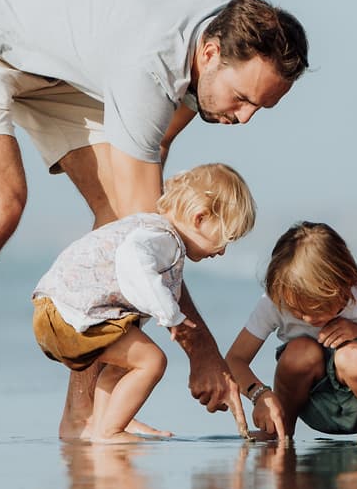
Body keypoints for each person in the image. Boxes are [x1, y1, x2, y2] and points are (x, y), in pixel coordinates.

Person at [0, 0, 308, 446]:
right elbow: (146, 234)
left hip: (57, 69)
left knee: (115, 216)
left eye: (259, 108)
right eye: (241, 100)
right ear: (210, 53)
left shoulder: (223, 31)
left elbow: (152, 182)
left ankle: (84, 417)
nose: (243, 119)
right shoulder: (149, 66)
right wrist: (203, 352)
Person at [32, 164, 256, 444]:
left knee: (125, 365)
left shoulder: (148, 225)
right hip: (74, 314)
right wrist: (171, 316)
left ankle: (102, 426)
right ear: (199, 218)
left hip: (55, 309)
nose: (222, 251)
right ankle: (110, 431)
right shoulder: (165, 238)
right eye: (225, 239)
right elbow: (134, 259)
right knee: (152, 361)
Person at [224, 221, 357, 443]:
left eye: (317, 309)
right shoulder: (277, 299)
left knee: (352, 356)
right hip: (310, 402)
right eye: (297, 311)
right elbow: (235, 359)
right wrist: (259, 395)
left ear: (346, 283)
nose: (308, 319)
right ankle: (279, 428)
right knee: (300, 352)